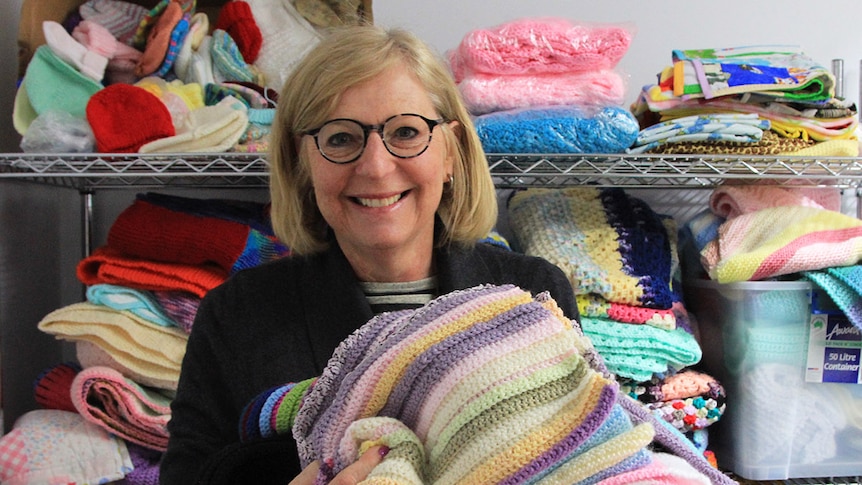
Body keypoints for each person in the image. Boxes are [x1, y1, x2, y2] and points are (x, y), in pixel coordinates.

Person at [159, 24, 577, 484]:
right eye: (340, 138)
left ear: (451, 153)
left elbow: (586, 460)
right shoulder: (237, 315)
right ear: (301, 162)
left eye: (405, 131)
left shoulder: (534, 295)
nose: (377, 167)